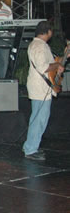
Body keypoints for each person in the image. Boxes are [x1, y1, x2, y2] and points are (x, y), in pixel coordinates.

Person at [23, 21, 65, 161]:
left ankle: (30, 145)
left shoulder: (37, 45)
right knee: (39, 119)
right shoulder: (40, 47)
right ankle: (30, 149)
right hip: (40, 87)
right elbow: (43, 67)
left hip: (41, 87)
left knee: (38, 118)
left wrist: (56, 65)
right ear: (47, 32)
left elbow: (48, 65)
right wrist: (57, 64)